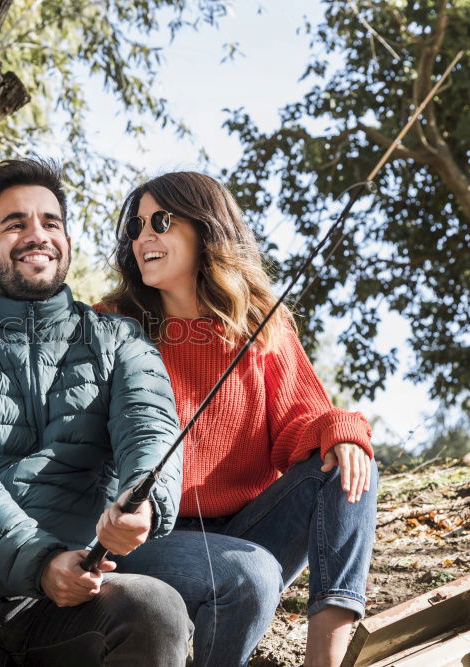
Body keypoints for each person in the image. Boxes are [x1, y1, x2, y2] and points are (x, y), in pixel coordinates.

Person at [96, 171, 378, 667]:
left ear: (206, 229)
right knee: (252, 574)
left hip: (248, 530)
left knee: (351, 465)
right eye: (135, 228)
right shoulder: (111, 324)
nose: (143, 238)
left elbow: (301, 422)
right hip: (147, 535)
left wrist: (340, 431)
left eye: (160, 221)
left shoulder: (262, 322)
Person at [0, 158, 192, 666]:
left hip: (77, 599)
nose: (36, 235)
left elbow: (149, 426)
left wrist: (142, 502)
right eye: (15, 223)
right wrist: (42, 562)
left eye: (50, 222)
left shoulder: (120, 338)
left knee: (155, 608)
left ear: (67, 241)